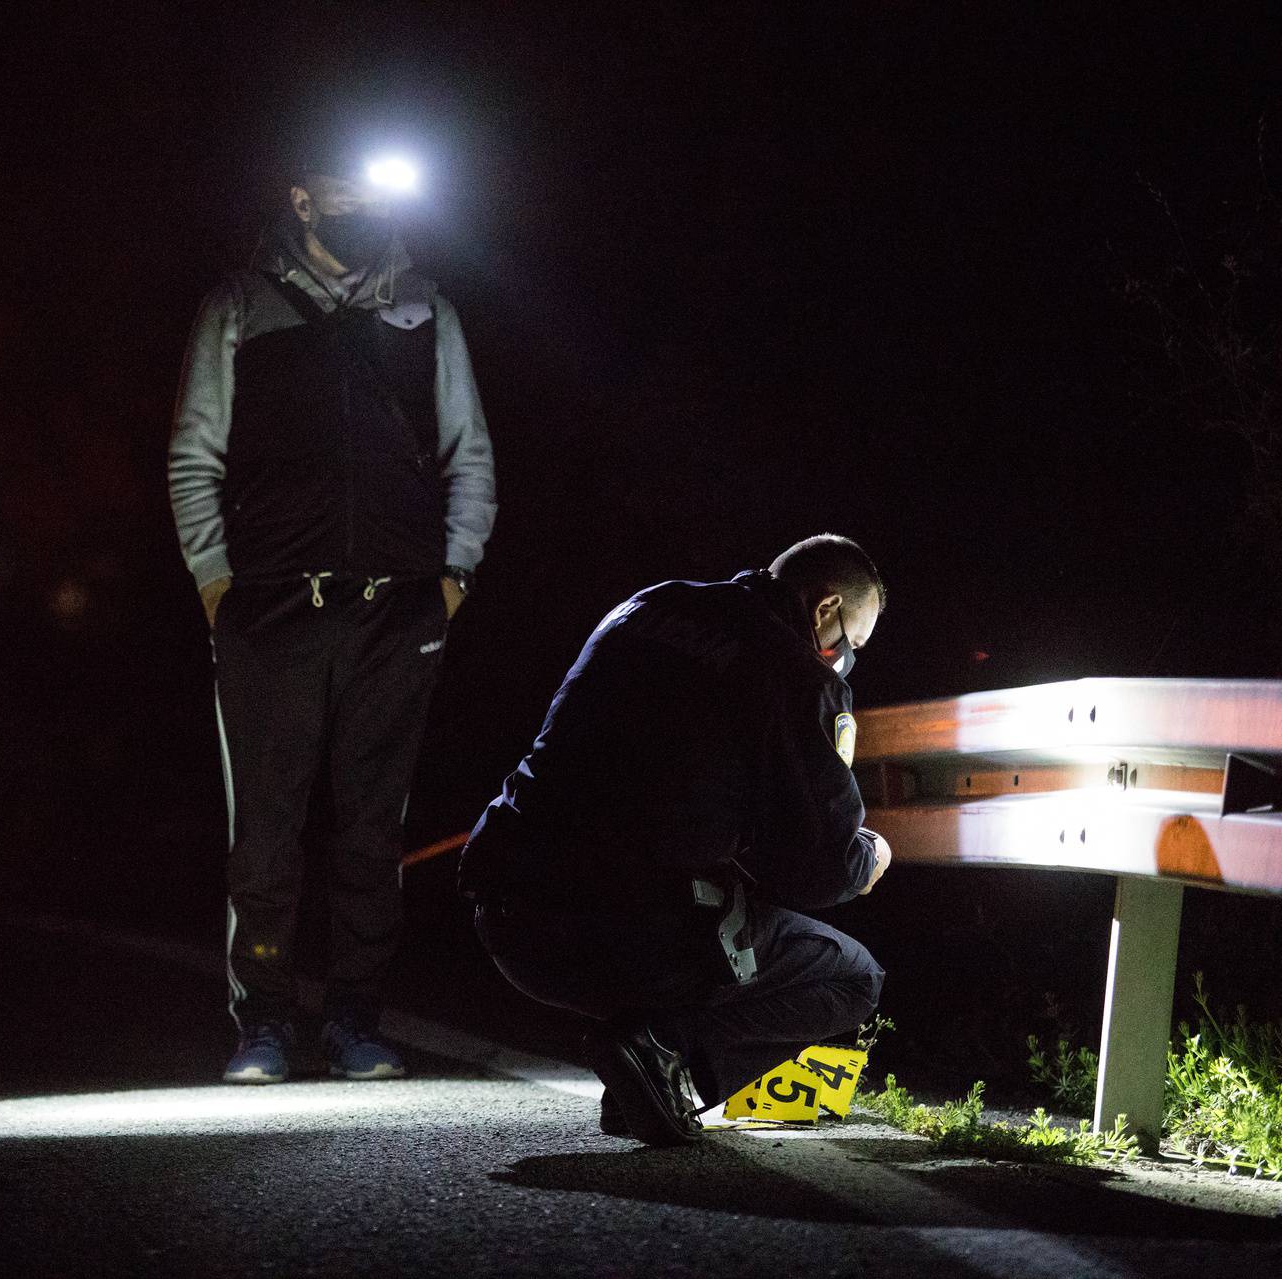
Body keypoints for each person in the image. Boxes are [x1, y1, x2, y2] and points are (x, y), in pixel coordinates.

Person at [169, 146, 497, 1084]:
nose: (359, 203)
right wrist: (216, 583)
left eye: (375, 186)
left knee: (369, 829)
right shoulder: (237, 305)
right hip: (267, 609)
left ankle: (357, 1016)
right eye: (340, 185)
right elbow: (194, 457)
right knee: (264, 832)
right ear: (299, 194)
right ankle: (263, 1022)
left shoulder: (425, 307)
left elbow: (468, 452)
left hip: (397, 612)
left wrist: (452, 577)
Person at [460, 535, 891, 1145]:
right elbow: (815, 870)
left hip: (509, 914)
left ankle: (647, 1082)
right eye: (852, 640)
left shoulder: (648, 606)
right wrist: (869, 857)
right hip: (626, 929)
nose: (845, 657)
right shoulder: (795, 670)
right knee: (855, 976)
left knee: (698, 885)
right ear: (825, 610)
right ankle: (671, 1054)